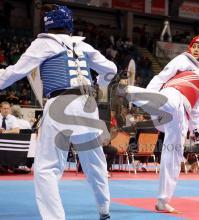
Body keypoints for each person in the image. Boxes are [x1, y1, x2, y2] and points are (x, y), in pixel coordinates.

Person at [0, 4, 117, 220]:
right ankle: (104, 211)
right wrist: (100, 83)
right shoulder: (83, 46)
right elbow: (111, 69)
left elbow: (15, 72)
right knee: (94, 162)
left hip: (60, 104)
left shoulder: (42, 44)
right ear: (69, 24)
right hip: (88, 105)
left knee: (47, 168)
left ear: (47, 25)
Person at [123, 35, 199, 213]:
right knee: (171, 101)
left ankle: (163, 200)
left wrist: (196, 130)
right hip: (170, 98)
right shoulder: (183, 59)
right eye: (194, 46)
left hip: (180, 117)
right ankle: (126, 90)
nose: (195, 49)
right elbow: (161, 76)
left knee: (174, 156)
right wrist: (150, 96)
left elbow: (195, 106)